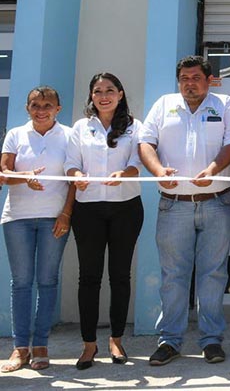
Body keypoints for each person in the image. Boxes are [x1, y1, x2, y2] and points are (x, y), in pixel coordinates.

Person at [139, 55, 230, 366]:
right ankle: (170, 340)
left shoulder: (224, 104)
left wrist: (213, 169)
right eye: (184, 78)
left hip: (216, 203)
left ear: (209, 80)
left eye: (196, 77)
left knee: (213, 274)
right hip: (174, 205)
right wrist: (158, 171)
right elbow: (145, 142)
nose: (189, 83)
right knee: (173, 275)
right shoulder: (164, 105)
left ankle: (211, 341)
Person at [64, 73, 143, 370]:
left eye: (110, 90)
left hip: (126, 208)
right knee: (89, 277)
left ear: (120, 94)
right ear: (91, 96)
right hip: (88, 210)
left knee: (120, 276)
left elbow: (139, 161)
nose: (104, 96)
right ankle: (89, 344)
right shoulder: (81, 127)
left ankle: (116, 340)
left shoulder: (134, 126)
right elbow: (71, 164)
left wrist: (125, 174)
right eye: (97, 91)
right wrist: (77, 176)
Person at [0, 86, 72, 372]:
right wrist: (25, 177)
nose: (41, 111)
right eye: (35, 105)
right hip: (17, 217)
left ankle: (41, 345)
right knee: (21, 282)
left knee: (47, 281)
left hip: (54, 217)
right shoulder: (16, 134)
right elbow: (4, 173)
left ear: (58, 109)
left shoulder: (69, 136)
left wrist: (66, 214)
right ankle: (20, 348)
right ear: (27, 108)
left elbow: (74, 179)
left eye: (47, 105)